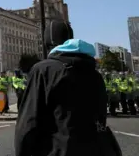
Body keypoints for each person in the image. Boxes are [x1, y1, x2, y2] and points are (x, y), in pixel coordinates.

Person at [15, 20, 108, 156]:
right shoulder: (95, 73)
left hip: (59, 149)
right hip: (94, 149)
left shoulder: (43, 70)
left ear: (47, 43)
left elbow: (28, 123)